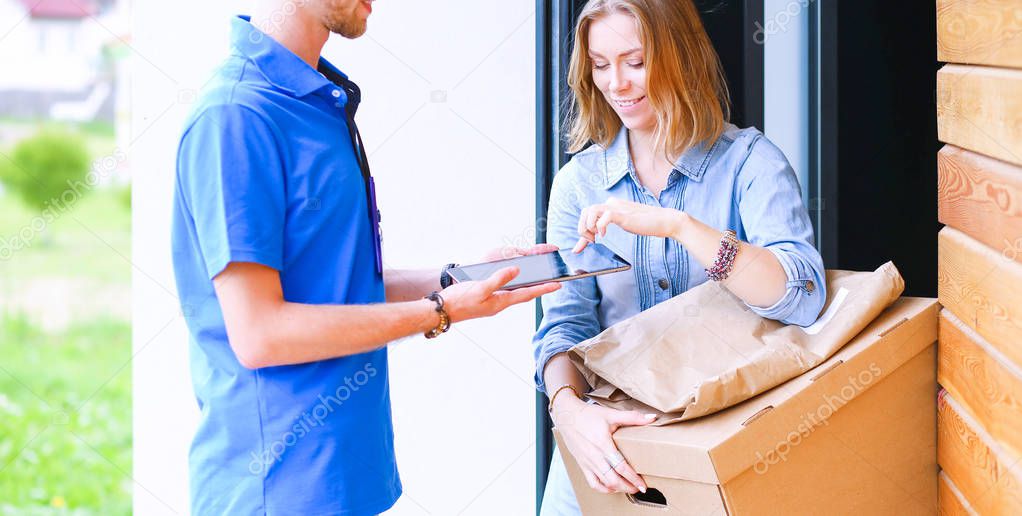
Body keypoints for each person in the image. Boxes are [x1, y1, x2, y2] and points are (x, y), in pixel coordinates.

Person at [170, 1, 559, 513]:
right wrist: (440, 311)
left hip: (345, 479)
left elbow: (340, 284)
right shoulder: (236, 115)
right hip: (278, 490)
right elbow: (260, 333)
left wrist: (456, 279)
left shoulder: (316, 100)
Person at [532, 0, 826, 513]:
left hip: (722, 445)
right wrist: (568, 411)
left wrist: (682, 227)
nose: (616, 83)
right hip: (607, 444)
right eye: (600, 65)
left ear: (679, 54)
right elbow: (565, 325)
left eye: (635, 60)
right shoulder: (579, 184)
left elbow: (800, 298)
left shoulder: (750, 162)